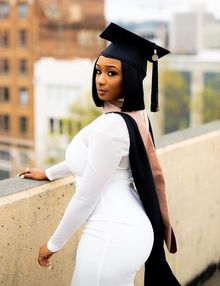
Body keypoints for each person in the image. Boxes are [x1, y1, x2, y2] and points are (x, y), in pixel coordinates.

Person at [19, 23, 180, 286]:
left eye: (112, 73)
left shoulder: (111, 126)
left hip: (110, 237)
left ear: (129, 77)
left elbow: (86, 196)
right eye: (98, 70)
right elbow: (94, 162)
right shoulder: (135, 116)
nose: (101, 79)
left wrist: (53, 243)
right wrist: (48, 173)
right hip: (128, 231)